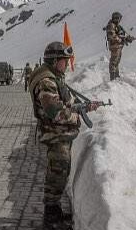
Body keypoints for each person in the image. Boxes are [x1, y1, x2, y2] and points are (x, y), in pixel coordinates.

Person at [28, 42, 99, 230]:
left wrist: (85, 106)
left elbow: (66, 102)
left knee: (60, 172)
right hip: (55, 135)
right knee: (56, 174)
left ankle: (55, 212)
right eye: (64, 60)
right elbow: (55, 112)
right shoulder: (47, 82)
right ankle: (51, 218)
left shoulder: (55, 77)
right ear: (54, 61)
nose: (67, 64)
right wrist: (77, 115)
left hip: (59, 134)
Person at [105, 11, 136, 81]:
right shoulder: (111, 25)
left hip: (118, 47)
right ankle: (113, 79)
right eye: (119, 18)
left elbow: (124, 34)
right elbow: (112, 36)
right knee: (113, 62)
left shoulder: (118, 26)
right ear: (116, 18)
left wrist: (129, 38)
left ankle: (116, 77)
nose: (119, 20)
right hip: (115, 47)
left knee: (117, 62)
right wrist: (122, 40)